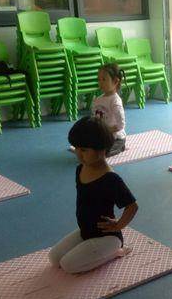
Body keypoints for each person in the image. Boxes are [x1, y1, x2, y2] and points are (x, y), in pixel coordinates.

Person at [49, 117, 139, 274]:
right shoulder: (80, 169)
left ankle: (116, 251)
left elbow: (132, 206)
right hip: (86, 231)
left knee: (68, 265)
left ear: (102, 149)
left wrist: (119, 225)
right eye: (76, 148)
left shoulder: (111, 179)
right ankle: (96, 250)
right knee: (54, 258)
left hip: (107, 238)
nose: (78, 154)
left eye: (84, 150)